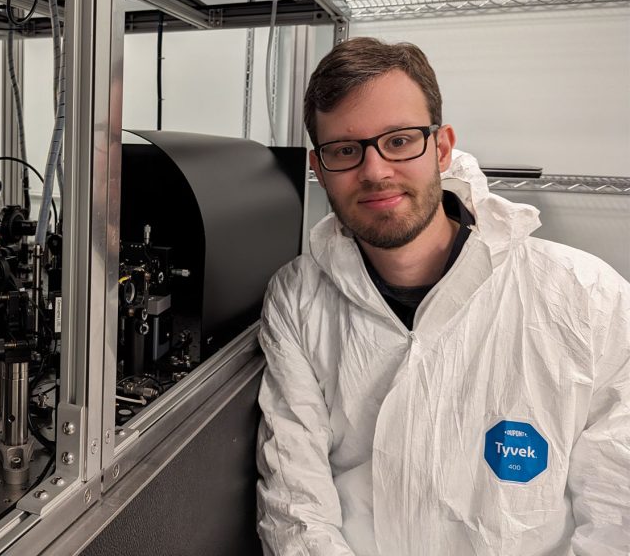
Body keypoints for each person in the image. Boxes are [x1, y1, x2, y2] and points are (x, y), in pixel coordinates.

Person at [256, 37, 630, 556]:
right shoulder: (297, 298)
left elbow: (617, 512)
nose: (375, 170)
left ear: (442, 147)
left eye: (400, 140)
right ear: (319, 169)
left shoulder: (588, 298)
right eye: (345, 150)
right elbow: (297, 502)